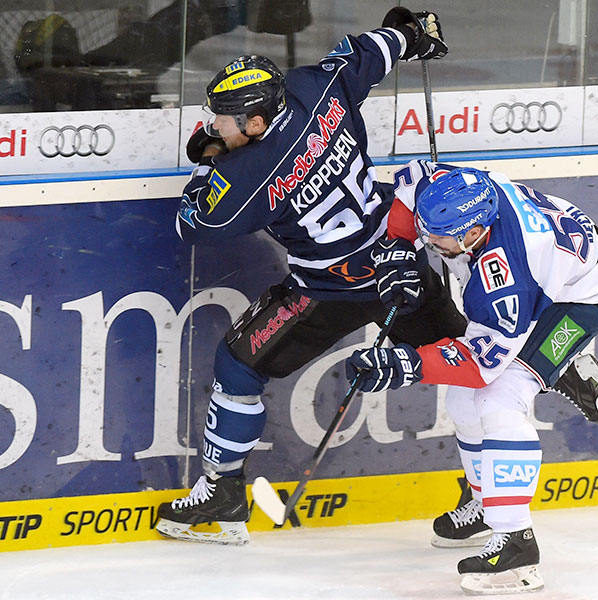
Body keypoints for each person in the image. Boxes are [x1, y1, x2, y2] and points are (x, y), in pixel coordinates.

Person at [155, 9, 462, 546]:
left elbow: (193, 223)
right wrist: (411, 35)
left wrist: (207, 161)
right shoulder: (311, 89)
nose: (214, 127)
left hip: (329, 291)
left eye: (223, 121)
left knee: (238, 364)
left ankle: (224, 495)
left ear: (254, 123)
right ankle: (491, 494)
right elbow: (367, 53)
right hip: (400, 261)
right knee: (472, 364)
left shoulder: (246, 175)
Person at [344, 160, 598, 595]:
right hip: (553, 263)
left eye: (438, 239)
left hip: (574, 303)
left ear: (474, 233)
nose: (429, 242)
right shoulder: (457, 189)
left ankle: (517, 547)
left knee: (499, 399)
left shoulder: (503, 280)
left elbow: (480, 364)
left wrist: (406, 363)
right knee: (460, 401)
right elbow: (414, 179)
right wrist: (398, 245)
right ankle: (485, 502)